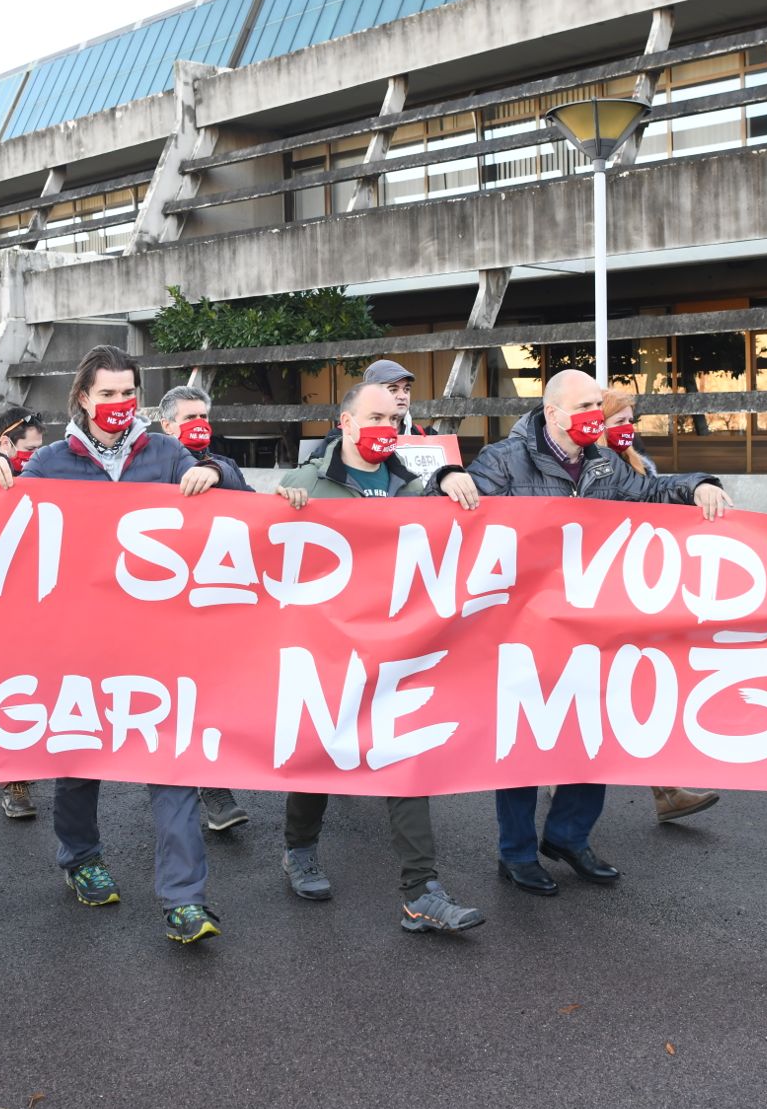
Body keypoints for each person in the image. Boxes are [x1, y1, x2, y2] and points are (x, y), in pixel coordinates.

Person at [441, 368, 731, 897]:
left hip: (588, 631)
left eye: (599, 405)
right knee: (524, 741)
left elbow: (649, 493)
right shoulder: (502, 463)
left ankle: (569, 837)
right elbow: (451, 523)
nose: (596, 417)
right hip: (520, 632)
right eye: (584, 407)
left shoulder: (601, 465)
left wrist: (698, 485)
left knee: (590, 736)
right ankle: (517, 854)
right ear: (552, 413)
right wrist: (444, 480)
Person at [15, 345, 228, 944]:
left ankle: (185, 899)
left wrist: (214, 472)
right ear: (82, 397)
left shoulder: (164, 452)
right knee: (82, 756)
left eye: (127, 393)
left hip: (159, 640)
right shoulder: (53, 461)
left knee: (172, 763)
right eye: (106, 393)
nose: (118, 404)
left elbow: (228, 487)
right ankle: (81, 859)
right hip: (79, 640)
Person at [273, 382, 484, 933]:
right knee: (320, 753)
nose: (385, 428)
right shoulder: (303, 485)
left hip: (396, 653)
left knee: (402, 757)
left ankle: (421, 889)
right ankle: (299, 848)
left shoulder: (414, 489)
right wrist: (282, 507)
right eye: (374, 417)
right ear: (344, 422)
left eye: (395, 419)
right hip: (326, 653)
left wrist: (447, 477)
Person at [598, 390, 721, 825]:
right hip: (594, 598)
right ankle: (562, 775)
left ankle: (665, 789)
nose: (628, 428)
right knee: (592, 692)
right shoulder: (583, 470)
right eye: (620, 419)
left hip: (634, 593)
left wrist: (698, 486)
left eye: (632, 419)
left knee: (642, 688)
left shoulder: (636, 463)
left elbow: (658, 499)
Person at [155, 383, 257, 833]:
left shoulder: (226, 463)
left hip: (209, 598)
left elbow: (254, 508)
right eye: (189, 417)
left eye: (203, 416)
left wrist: (214, 469)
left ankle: (212, 787)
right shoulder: (148, 463)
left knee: (202, 695)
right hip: (156, 599)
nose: (199, 425)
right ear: (166, 425)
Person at [0, 406, 45, 819]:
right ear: (4, 444)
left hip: (42, 598)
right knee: (11, 686)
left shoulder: (49, 475)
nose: (36, 457)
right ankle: (14, 778)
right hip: (0, 603)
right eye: (28, 450)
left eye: (40, 449)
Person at [306, 358, 434, 460]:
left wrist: (445, 475)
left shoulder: (426, 435)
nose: (403, 396)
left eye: (406, 389)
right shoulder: (341, 437)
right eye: (393, 390)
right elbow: (312, 471)